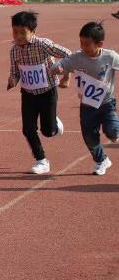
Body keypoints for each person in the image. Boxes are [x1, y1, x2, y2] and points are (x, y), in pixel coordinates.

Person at [7, 11, 72, 175]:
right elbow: (15, 71)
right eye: (15, 32)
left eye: (23, 32)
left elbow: (68, 55)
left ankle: (54, 124)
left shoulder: (43, 44)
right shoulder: (14, 51)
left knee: (48, 132)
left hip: (47, 92)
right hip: (28, 94)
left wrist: (66, 76)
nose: (18, 36)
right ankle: (41, 160)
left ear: (33, 32)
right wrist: (13, 80)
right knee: (27, 129)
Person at [51, 22, 119, 176]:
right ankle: (101, 161)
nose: (83, 47)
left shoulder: (110, 56)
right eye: (81, 43)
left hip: (106, 103)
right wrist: (57, 69)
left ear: (100, 43)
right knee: (89, 136)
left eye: (87, 44)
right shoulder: (77, 57)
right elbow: (61, 64)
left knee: (113, 132)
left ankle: (115, 132)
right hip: (87, 105)